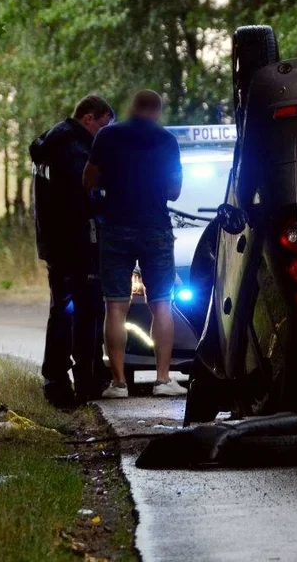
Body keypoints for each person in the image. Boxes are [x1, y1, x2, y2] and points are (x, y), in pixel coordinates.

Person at [84, 89, 186, 398]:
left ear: (132, 107)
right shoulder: (167, 141)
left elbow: (88, 181)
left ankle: (118, 383)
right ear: (157, 110)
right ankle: (163, 379)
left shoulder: (107, 137)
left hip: (115, 229)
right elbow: (175, 191)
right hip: (155, 228)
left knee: (115, 307)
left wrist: (110, 185)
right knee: (162, 305)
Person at [30, 94, 115, 407]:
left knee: (63, 310)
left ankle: (57, 378)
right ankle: (86, 379)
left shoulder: (50, 144)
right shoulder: (74, 148)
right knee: (88, 310)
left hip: (56, 242)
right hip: (77, 240)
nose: (102, 135)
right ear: (89, 118)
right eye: (102, 126)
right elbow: (83, 197)